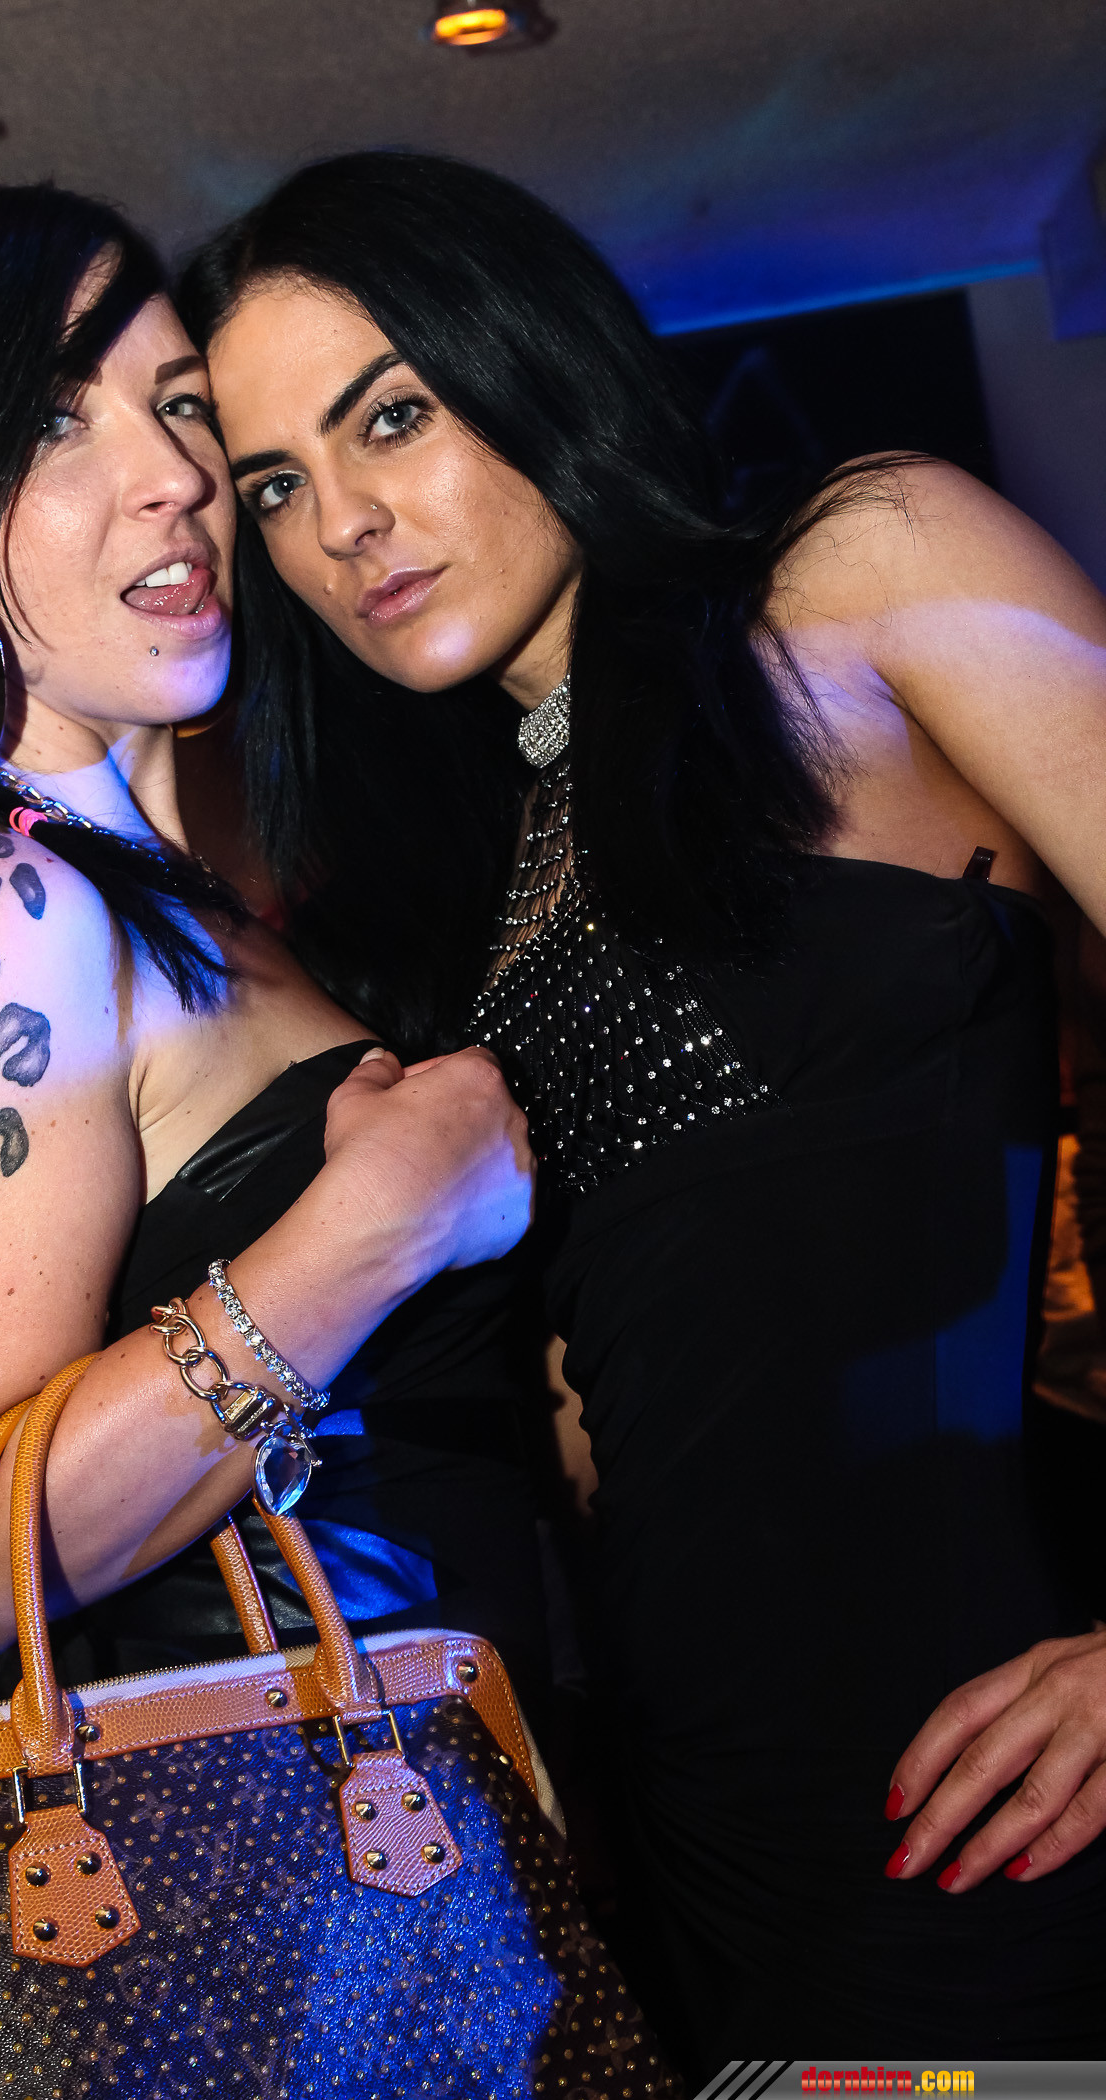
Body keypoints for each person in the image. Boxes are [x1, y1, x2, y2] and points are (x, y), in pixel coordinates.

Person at [179, 151, 1106, 2071]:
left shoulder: (860, 569)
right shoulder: (481, 882)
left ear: (533, 357)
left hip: (981, 1796)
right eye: (272, 485)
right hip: (700, 1822)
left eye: (390, 417)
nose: (342, 525)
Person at [0, 185, 550, 1738]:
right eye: (53, 422)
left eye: (178, 403)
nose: (179, 473)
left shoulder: (122, 865)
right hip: (309, 1840)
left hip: (435, 1769)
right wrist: (380, 1223)